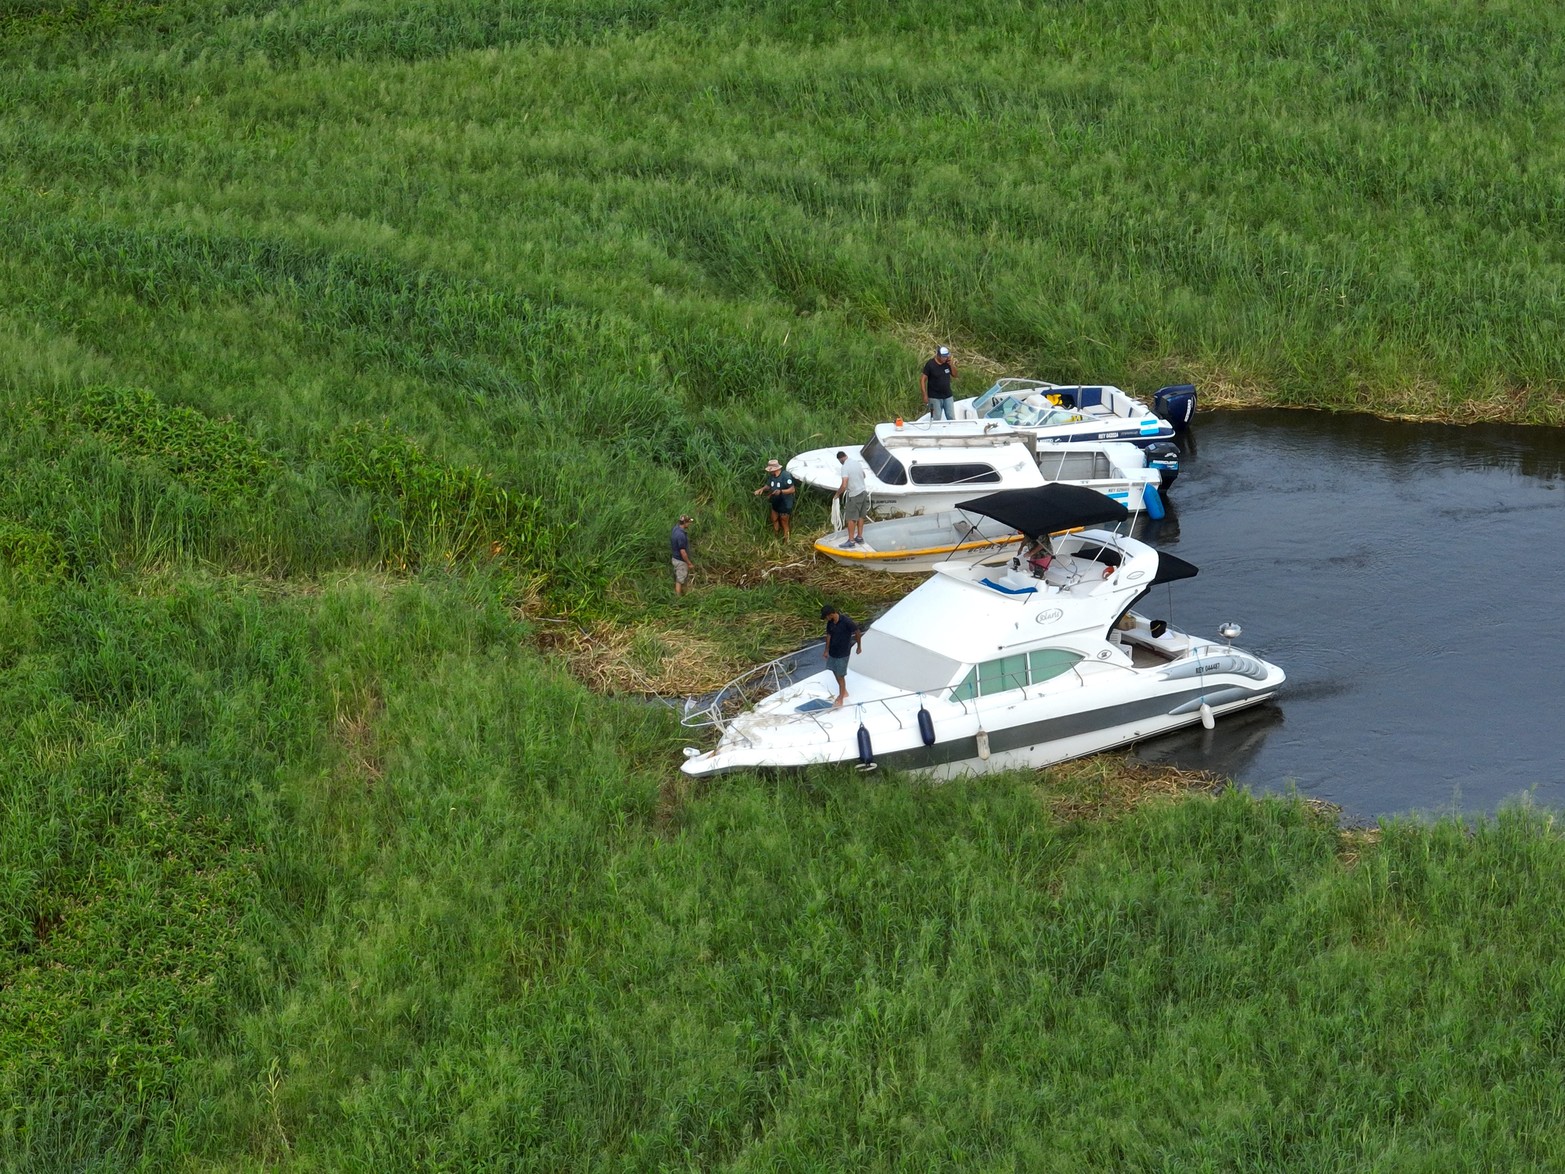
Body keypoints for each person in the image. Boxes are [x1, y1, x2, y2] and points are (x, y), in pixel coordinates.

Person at [820, 605, 862, 707]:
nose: (826, 619)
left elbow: (857, 632)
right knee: (834, 670)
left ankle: (841, 698)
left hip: (843, 652)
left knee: (840, 675)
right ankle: (844, 692)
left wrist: (858, 646)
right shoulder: (830, 623)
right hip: (833, 652)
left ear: (831, 614)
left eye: (826, 616)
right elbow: (829, 635)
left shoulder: (846, 621)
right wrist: (826, 650)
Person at [753, 458, 796, 538]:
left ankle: (786, 539)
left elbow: (792, 489)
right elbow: (769, 485)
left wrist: (781, 491)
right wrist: (761, 489)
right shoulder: (772, 476)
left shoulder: (785, 476)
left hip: (785, 503)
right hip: (775, 502)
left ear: (776, 469)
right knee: (774, 519)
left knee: (784, 523)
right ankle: (775, 536)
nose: (769, 471)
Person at [834, 450, 869, 547]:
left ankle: (851, 541)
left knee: (851, 518)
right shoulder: (856, 462)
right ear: (846, 455)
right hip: (863, 492)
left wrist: (837, 494)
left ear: (840, 459)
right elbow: (864, 475)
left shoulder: (844, 467)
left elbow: (844, 484)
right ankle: (860, 537)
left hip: (854, 495)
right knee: (861, 516)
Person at [921, 345, 958, 421]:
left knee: (951, 417)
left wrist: (951, 365)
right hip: (935, 397)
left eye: (946, 356)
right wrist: (924, 394)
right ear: (938, 356)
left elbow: (955, 375)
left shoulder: (947, 364)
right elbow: (922, 379)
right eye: (943, 357)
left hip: (947, 396)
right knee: (936, 418)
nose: (945, 358)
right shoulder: (930, 364)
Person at [670, 514, 694, 595]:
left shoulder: (675, 529)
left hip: (675, 558)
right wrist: (689, 563)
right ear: (684, 523)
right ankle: (677, 599)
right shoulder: (681, 535)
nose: (689, 524)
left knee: (681, 577)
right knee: (679, 580)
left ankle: (683, 593)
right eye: (688, 522)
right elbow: (683, 552)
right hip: (680, 561)